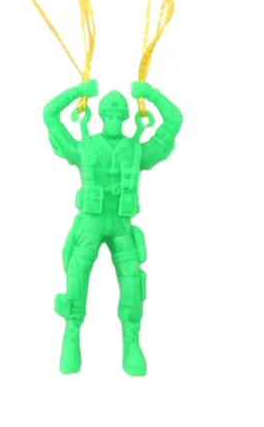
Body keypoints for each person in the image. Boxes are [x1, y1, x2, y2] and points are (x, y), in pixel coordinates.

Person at [44, 78, 183, 375]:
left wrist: (150, 94)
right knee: (77, 272)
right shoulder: (84, 146)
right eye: (109, 115)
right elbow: (49, 115)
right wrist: (78, 92)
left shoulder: (135, 150)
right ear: (101, 115)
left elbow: (174, 122)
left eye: (119, 116)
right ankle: (71, 334)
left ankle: (131, 340)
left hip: (121, 223)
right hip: (90, 222)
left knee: (132, 280)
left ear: (126, 118)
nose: (114, 121)